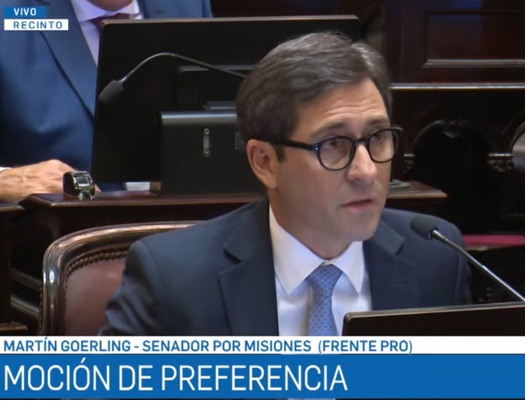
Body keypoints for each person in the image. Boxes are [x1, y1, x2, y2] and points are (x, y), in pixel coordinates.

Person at [100, 32, 471, 336]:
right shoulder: (174, 279)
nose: (366, 171)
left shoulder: (436, 259)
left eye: (378, 138)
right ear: (264, 162)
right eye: (334, 145)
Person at [0, 0, 212, 201]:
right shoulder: (12, 16)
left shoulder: (186, 5)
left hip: (187, 217)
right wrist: (5, 180)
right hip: (62, 220)